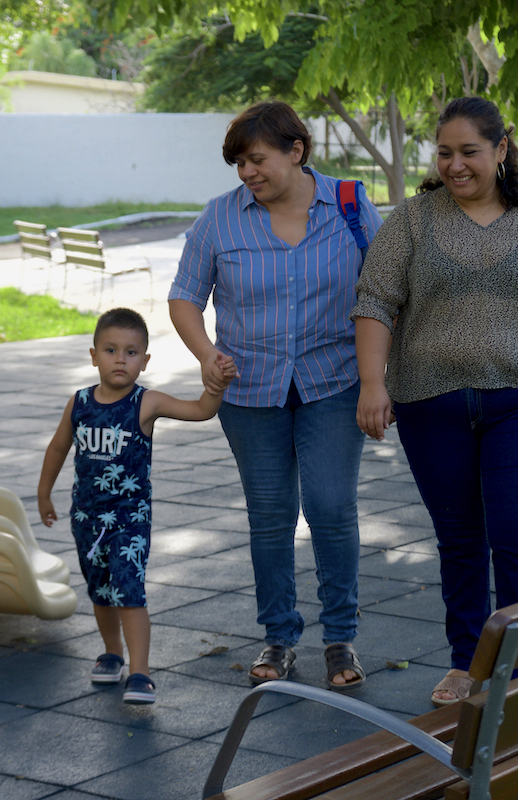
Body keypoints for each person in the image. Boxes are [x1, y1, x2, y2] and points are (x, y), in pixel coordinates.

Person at [351, 96, 518, 707]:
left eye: (469, 151)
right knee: (460, 538)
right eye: (444, 153)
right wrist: (373, 383)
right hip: (430, 402)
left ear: (500, 151)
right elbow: (374, 301)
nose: (455, 164)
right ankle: (467, 662)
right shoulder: (414, 220)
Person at [169, 101, 382, 691]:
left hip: (334, 381)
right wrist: (206, 353)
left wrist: (377, 379)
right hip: (249, 390)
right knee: (270, 518)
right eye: (239, 163)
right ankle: (279, 635)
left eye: (256, 159)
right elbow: (185, 296)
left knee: (332, 509)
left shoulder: (347, 205)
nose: (246, 173)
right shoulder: (219, 219)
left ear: (296, 151)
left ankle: (340, 639)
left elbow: (386, 291)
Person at [37, 308, 234, 705]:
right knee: (100, 590)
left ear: (144, 362)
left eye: (130, 352)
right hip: (86, 517)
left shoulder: (147, 403)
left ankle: (140, 672)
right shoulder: (78, 403)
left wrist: (217, 386)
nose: (120, 359)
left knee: (129, 589)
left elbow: (200, 410)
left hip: (129, 520)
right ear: (94, 355)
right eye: (111, 350)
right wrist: (44, 493)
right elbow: (59, 447)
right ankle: (112, 653)